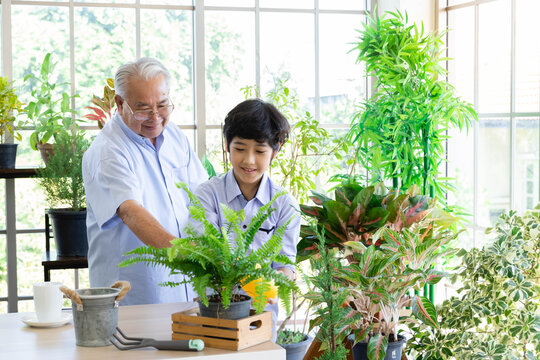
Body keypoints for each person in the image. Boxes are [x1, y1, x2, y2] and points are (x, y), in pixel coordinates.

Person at [82, 57, 208, 305]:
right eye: (143, 109)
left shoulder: (174, 135)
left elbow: (201, 193)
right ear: (119, 103)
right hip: (135, 295)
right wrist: (185, 253)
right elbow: (130, 211)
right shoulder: (107, 151)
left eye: (162, 105)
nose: (155, 116)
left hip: (187, 290)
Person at [193, 98, 300, 333]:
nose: (249, 160)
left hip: (261, 323)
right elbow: (200, 252)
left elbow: (286, 266)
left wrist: (275, 282)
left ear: (276, 150)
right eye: (240, 149)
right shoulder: (207, 195)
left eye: (260, 151)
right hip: (215, 317)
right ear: (227, 145)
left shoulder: (284, 205)